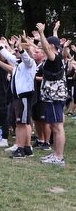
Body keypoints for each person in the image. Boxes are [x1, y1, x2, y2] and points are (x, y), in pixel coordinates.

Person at [35, 23, 67, 166]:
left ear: (52, 47)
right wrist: (54, 31)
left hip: (54, 97)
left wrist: (41, 33)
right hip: (51, 97)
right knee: (54, 127)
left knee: (57, 127)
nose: (42, 45)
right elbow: (51, 44)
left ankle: (59, 157)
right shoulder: (56, 57)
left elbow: (48, 48)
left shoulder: (55, 59)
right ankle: (55, 154)